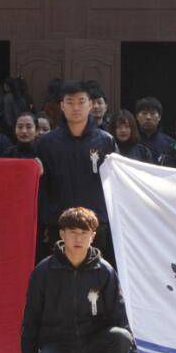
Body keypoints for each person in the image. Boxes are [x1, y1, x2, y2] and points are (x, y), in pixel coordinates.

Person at [18, 206, 140, 353]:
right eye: (72, 232)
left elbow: (119, 315)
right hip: (58, 342)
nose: (78, 238)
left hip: (93, 341)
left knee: (122, 336)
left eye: (84, 233)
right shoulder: (44, 271)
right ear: (62, 234)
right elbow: (32, 315)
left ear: (93, 236)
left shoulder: (105, 272)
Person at [35, 81, 117, 263]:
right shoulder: (47, 143)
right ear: (62, 106)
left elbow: (116, 183)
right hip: (59, 225)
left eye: (81, 101)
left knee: (96, 275)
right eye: (70, 102)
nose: (76, 108)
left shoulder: (105, 141)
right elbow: (42, 187)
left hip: (96, 224)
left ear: (91, 104)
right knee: (59, 275)